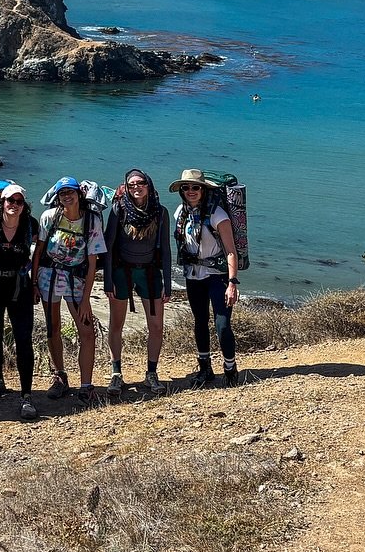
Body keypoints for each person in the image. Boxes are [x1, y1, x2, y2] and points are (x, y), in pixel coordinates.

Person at [32, 177, 107, 402]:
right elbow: (39, 251)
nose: (66, 196)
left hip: (76, 280)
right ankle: (60, 377)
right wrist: (33, 283)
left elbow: (93, 262)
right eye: (62, 192)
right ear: (57, 196)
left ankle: (86, 385)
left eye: (70, 192)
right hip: (49, 277)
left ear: (79, 194)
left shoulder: (92, 221)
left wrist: (86, 299)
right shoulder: (49, 217)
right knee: (52, 328)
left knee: (87, 332)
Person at [169, 169, 244, 388]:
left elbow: (231, 251)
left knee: (222, 324)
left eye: (195, 187)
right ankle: (205, 368)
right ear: (181, 191)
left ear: (203, 189)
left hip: (218, 276)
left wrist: (232, 283)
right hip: (194, 276)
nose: (191, 191)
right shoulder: (179, 213)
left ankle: (230, 368)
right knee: (199, 322)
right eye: (186, 187)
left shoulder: (218, 214)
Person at [0, 182, 40, 420]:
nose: (14, 205)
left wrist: (35, 284)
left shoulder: (30, 226)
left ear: (24, 206)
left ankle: (26, 395)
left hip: (19, 287)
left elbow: (40, 253)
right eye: (10, 201)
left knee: (24, 339)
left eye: (19, 201)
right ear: (2, 203)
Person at [104, 168, 173, 395]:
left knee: (156, 326)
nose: (136, 187)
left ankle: (151, 373)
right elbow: (109, 245)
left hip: (151, 273)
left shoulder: (160, 213)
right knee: (116, 324)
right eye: (131, 184)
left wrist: (168, 283)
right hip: (122, 272)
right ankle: (116, 374)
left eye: (140, 183)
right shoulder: (119, 210)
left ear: (148, 185)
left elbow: (166, 250)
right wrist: (107, 281)